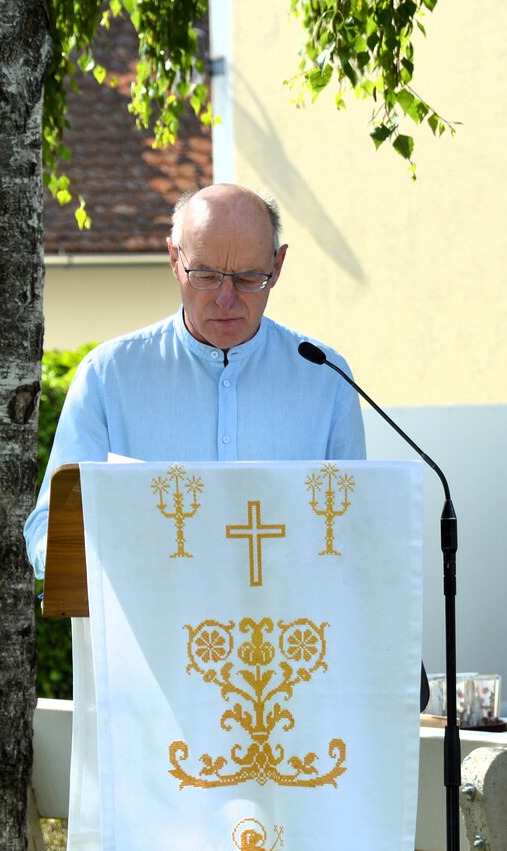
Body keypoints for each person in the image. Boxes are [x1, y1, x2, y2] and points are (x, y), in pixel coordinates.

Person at [24, 183, 366, 577]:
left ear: (277, 266)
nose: (226, 298)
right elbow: (49, 526)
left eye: (248, 278)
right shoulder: (109, 376)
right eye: (205, 275)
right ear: (174, 259)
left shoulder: (326, 377)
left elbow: (355, 523)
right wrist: (85, 558)